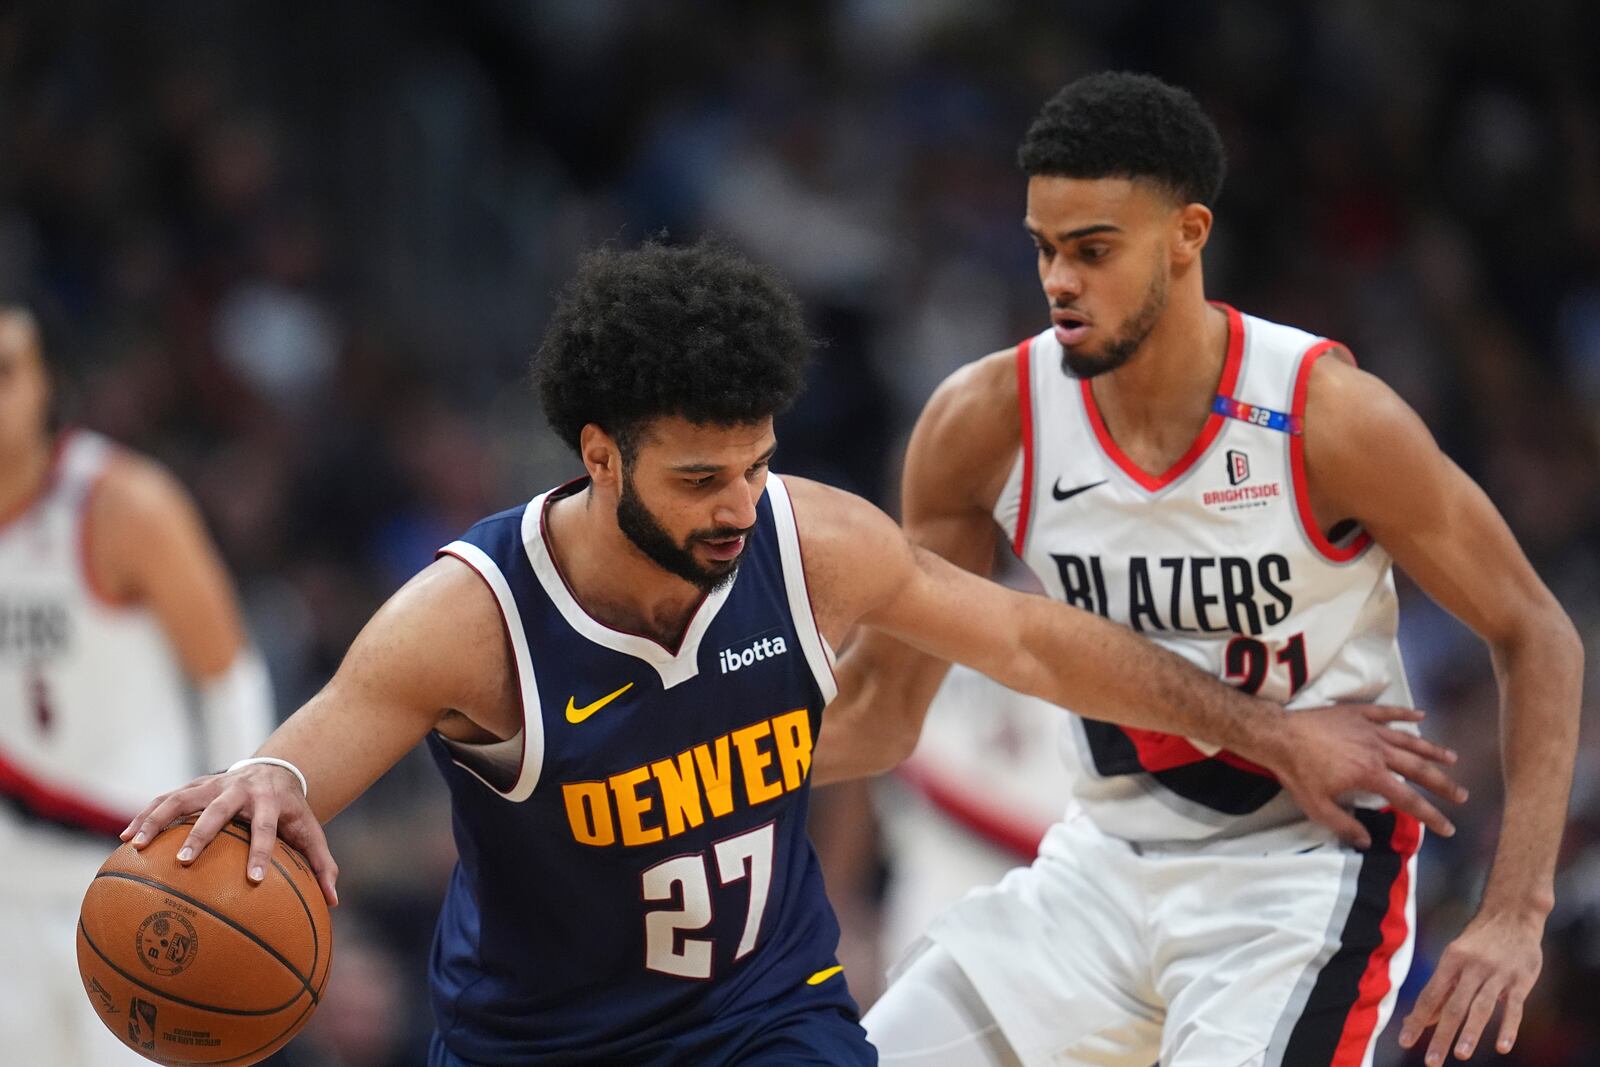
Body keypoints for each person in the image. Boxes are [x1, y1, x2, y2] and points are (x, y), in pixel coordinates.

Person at [121, 241, 1459, 1067]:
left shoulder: (812, 541)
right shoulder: (473, 615)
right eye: (703, 476)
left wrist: (1268, 724)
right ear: (601, 456)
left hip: (767, 1017)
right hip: (535, 1039)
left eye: (757, 464)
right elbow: (314, 747)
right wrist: (273, 778)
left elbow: (1034, 638)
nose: (739, 504)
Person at [813, 72, 1583, 1067]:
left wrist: (1514, 908)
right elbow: (882, 710)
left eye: (1094, 251)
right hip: (1092, 869)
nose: (1060, 283)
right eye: (1046, 249)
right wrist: (666, 765)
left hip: (1300, 879)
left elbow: (1535, 628)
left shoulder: (1327, 416)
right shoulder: (983, 421)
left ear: (1187, 234)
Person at [0, 305, 275, 1065]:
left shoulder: (122, 504)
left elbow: (230, 676)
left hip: (131, 894)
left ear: (47, 380)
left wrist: (241, 855)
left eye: (4, 370)